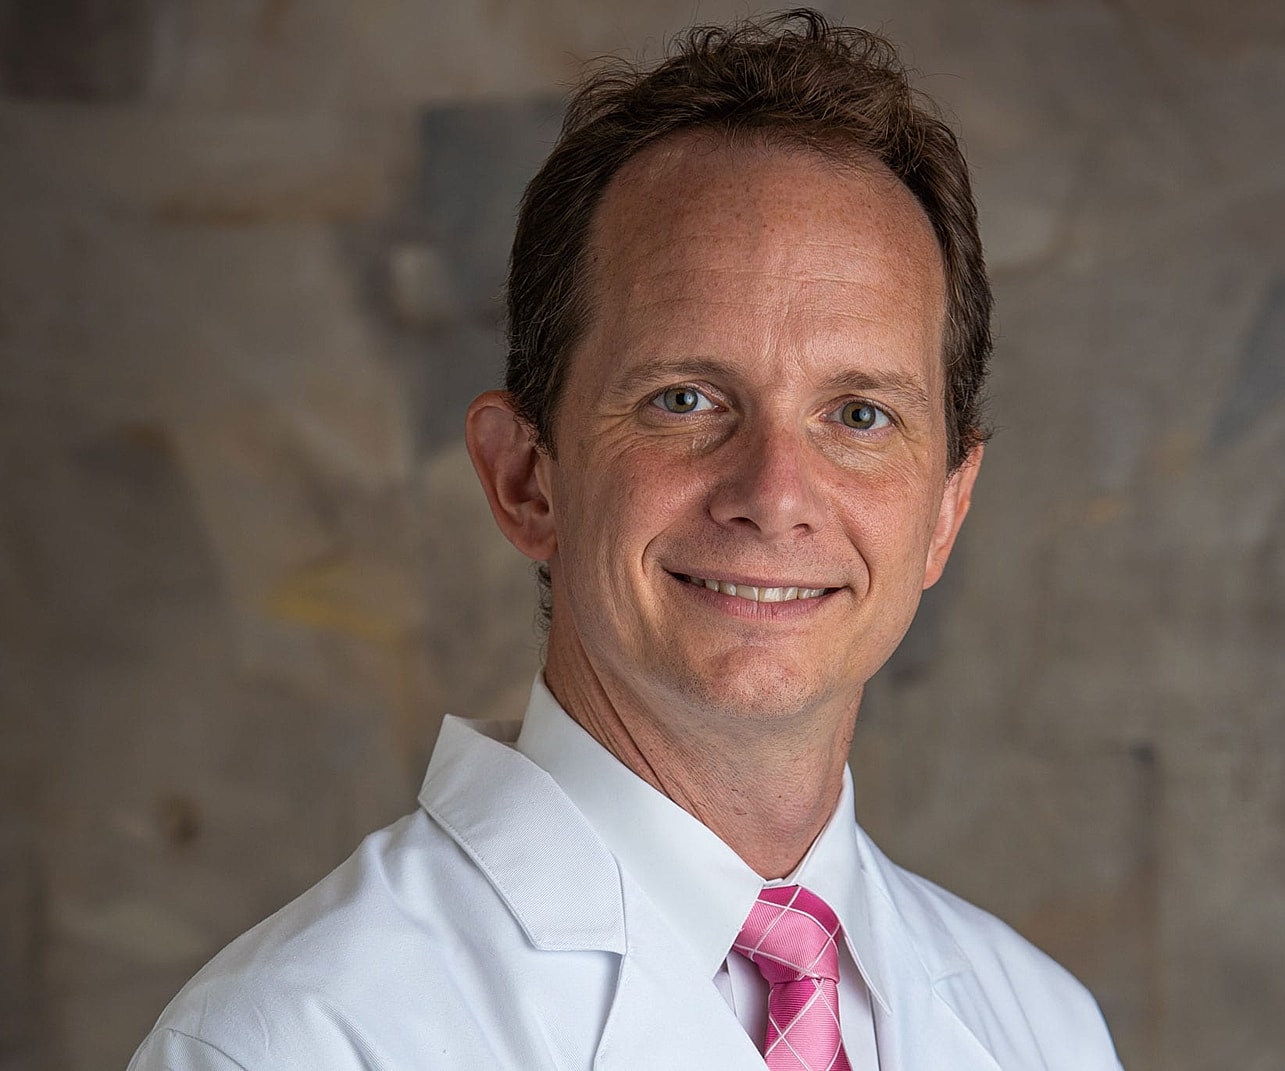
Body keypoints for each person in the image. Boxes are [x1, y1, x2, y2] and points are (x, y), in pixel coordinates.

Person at [130, 11, 1123, 1070]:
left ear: (945, 512)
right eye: (685, 398)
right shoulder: (294, 1041)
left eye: (860, 415)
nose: (775, 495)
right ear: (526, 479)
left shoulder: (1044, 1030)